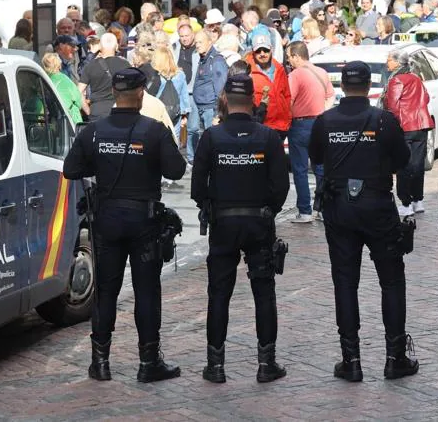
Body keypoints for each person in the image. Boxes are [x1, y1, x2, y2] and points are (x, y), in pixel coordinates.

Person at [62, 67, 186, 384]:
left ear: (115, 94)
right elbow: (176, 170)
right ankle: (148, 363)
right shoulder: (154, 130)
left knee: (106, 291)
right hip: (143, 221)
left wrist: (100, 160)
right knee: (146, 291)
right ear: (141, 93)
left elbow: (71, 169)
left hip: (106, 220)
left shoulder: (93, 131)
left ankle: (100, 362)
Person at [308, 61, 419, 384]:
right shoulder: (383, 120)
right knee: (391, 280)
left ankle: (351, 359)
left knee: (345, 282)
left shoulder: (325, 121)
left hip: (340, 206)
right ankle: (394, 357)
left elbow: (316, 157)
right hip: (377, 204)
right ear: (368, 84)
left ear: (342, 85)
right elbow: (403, 161)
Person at [190, 74, 290, 384]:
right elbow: (281, 187)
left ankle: (216, 365)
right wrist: (267, 209)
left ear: (224, 100)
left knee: (219, 294)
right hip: (258, 223)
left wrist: (210, 205)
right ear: (253, 99)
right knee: (263, 292)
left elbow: (197, 187)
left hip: (223, 223)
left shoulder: (212, 137)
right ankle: (266, 363)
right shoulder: (268, 137)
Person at [286, 41, 335, 223]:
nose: (289, 61)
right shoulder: (322, 72)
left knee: (299, 170)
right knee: (320, 168)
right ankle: (322, 208)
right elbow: (330, 96)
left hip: (300, 124)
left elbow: (288, 101)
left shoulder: (295, 75)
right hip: (320, 123)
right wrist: (322, 111)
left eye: (290, 57)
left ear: (297, 57)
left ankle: (305, 211)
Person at [382, 48, 433, 217]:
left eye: (389, 59)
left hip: (405, 125)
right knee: (417, 165)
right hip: (422, 123)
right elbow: (426, 98)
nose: (387, 62)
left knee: (404, 165)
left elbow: (392, 106)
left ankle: (405, 202)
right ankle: (418, 200)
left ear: (397, 62)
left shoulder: (396, 80)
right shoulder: (415, 78)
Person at [188, 31, 229, 165]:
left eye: (200, 42)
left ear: (209, 42)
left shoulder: (216, 60)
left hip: (210, 109)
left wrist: (218, 114)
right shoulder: (203, 58)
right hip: (202, 107)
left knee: (212, 142)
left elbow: (221, 89)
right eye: (196, 42)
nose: (197, 45)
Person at [245, 34, 291, 139]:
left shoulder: (280, 69)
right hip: (260, 127)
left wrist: (288, 118)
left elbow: (287, 95)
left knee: (278, 155)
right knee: (260, 156)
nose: (262, 54)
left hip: (281, 127)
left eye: (265, 50)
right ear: (253, 51)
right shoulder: (248, 71)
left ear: (271, 49)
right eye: (258, 51)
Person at [78, 33, 131, 121]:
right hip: (120, 110)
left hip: (97, 112)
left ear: (100, 47)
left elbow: (79, 91)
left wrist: (88, 111)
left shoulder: (90, 66)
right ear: (117, 47)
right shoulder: (125, 65)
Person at [150, 47, 191, 145]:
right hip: (174, 113)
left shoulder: (155, 76)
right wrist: (184, 114)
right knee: (174, 139)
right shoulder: (180, 74)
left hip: (158, 113)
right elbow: (184, 96)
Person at [42, 53, 84, 124]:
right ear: (59, 65)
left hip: (54, 120)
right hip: (71, 118)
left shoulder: (44, 81)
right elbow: (78, 100)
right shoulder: (64, 79)